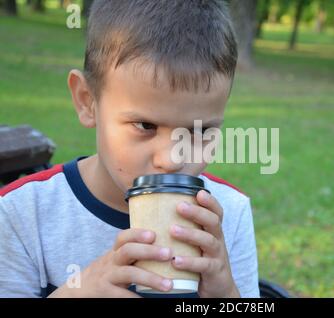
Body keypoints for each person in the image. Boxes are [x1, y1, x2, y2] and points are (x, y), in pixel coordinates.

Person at [0, 0, 259, 298]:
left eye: (199, 131)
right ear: (87, 101)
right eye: (145, 126)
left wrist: (224, 294)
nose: (171, 160)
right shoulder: (21, 214)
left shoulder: (228, 213)